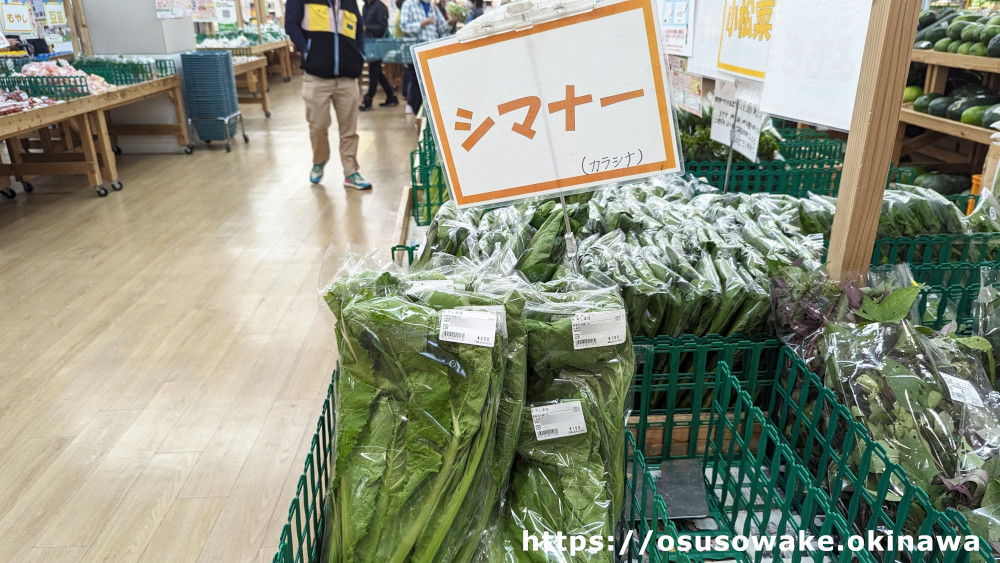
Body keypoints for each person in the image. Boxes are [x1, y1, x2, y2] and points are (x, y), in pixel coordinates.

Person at [285, 0, 373, 189]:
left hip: (347, 77)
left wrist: (360, 54)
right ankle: (319, 160)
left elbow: (358, 28)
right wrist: (307, 48)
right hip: (316, 77)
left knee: (349, 129)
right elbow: (290, 24)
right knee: (318, 126)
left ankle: (351, 172)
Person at [400, 0, 449, 114]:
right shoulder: (408, 4)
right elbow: (404, 27)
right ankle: (416, 111)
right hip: (415, 53)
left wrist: (450, 23)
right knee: (417, 83)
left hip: (432, 54)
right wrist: (421, 24)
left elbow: (442, 28)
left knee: (430, 84)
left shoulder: (433, 7)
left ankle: (424, 113)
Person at [360, 0, 399, 111]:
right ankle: (391, 97)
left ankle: (368, 99)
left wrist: (366, 28)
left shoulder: (380, 7)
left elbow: (382, 28)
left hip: (379, 44)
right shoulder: (365, 7)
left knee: (374, 70)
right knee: (377, 72)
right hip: (369, 44)